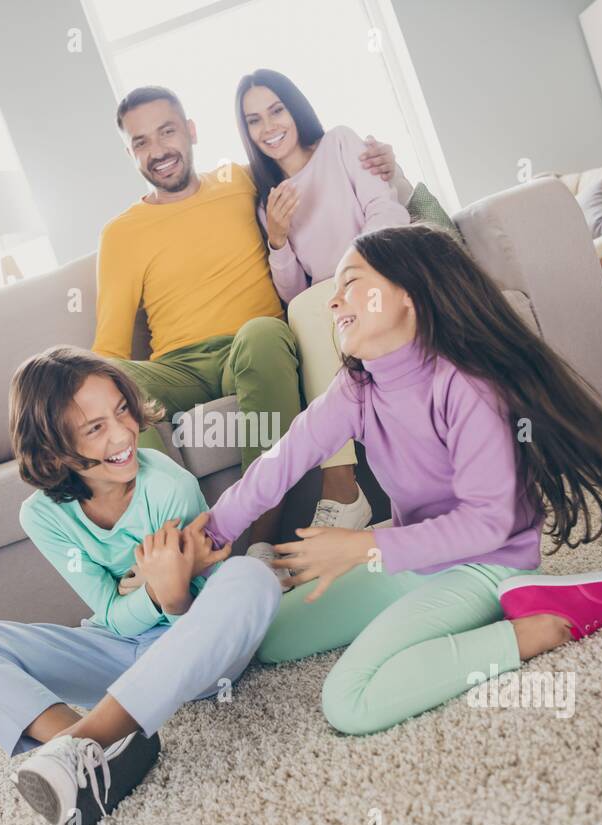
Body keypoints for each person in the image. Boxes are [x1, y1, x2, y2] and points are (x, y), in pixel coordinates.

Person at [204, 224, 602, 736]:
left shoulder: (467, 386)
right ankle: (450, 616)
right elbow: (281, 462)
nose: (334, 301)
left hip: (484, 565)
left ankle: (533, 629)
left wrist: (363, 548)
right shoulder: (358, 386)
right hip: (411, 559)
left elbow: (489, 524)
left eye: (351, 283)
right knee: (271, 640)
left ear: (409, 295)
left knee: (349, 701)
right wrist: (211, 532)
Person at [0, 347, 280, 825]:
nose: (124, 434)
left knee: (251, 578)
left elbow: (202, 624)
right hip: (117, 651)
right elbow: (108, 613)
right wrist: (150, 594)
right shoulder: (42, 515)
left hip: (193, 657)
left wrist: (170, 599)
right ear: (54, 452)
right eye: (95, 428)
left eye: (122, 411)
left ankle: (86, 741)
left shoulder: (169, 488)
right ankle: (97, 750)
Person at [95, 85, 401, 582]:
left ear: (191, 131)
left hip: (254, 343)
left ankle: (260, 541)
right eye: (141, 142)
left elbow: (313, 166)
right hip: (178, 365)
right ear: (130, 153)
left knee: (261, 333)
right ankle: (174, 547)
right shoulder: (120, 235)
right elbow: (108, 347)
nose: (158, 151)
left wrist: (385, 163)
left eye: (167, 132)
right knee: (112, 380)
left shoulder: (240, 182)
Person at [236, 68, 410, 538]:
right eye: (254, 120)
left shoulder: (340, 143)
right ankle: (346, 485)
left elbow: (386, 209)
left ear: (295, 108)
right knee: (303, 312)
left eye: (276, 109)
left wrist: (355, 270)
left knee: (316, 307)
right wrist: (276, 238)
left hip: (381, 274)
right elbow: (295, 293)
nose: (268, 125)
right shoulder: (269, 201)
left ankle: (341, 487)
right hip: (333, 310)